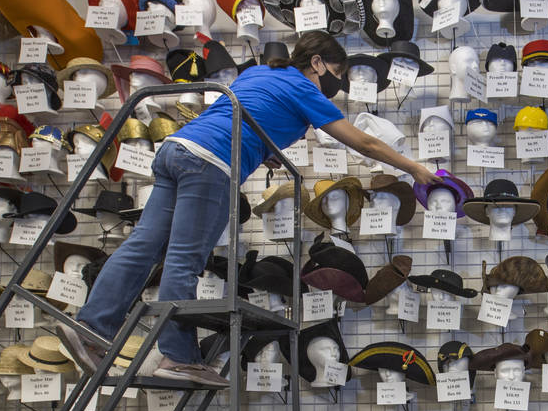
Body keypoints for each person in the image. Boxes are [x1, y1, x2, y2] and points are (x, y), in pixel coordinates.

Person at [58, 30, 437, 387]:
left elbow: (246, 114)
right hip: (211, 163)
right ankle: (176, 356)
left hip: (177, 149)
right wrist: (415, 169)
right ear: (317, 63)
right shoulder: (304, 87)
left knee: (144, 245)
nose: (335, 83)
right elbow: (365, 144)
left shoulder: (258, 72)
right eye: (336, 74)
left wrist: (265, 150)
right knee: (184, 259)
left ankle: (90, 328)